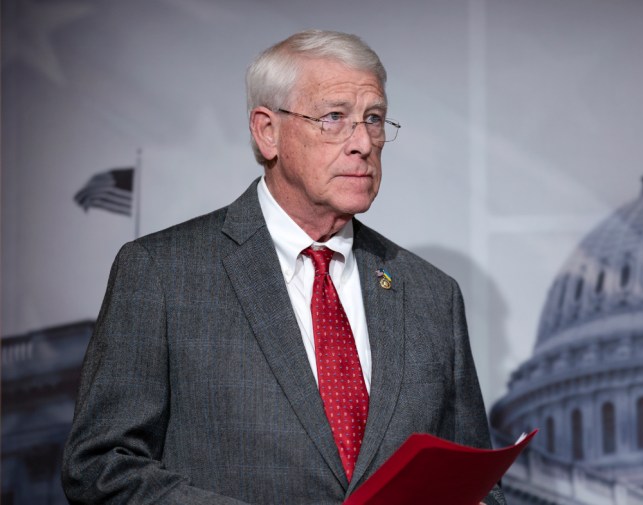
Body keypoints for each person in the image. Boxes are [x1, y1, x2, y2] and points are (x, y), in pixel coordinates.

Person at [62, 30, 504, 505]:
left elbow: (477, 482)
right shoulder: (161, 273)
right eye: (335, 117)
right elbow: (100, 467)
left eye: (373, 119)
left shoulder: (431, 294)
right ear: (267, 131)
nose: (363, 143)